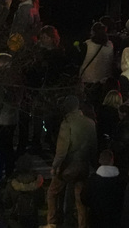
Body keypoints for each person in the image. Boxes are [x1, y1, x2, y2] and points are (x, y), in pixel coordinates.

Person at [50, 95, 98, 228]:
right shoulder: (90, 123)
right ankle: (82, 224)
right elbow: (94, 147)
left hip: (68, 167)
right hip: (83, 166)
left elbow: (61, 151)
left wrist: (55, 167)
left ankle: (52, 222)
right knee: (80, 199)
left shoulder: (67, 124)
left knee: (52, 193)